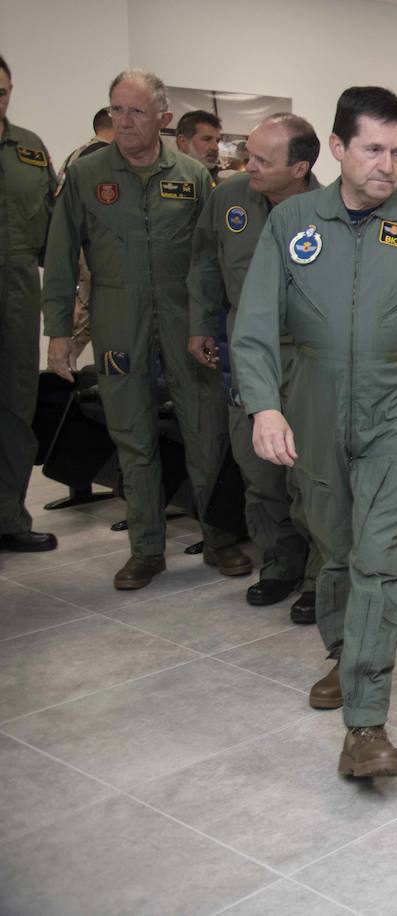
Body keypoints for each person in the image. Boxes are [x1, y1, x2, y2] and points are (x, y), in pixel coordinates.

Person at [232, 86, 397, 778]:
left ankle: (366, 721)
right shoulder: (292, 223)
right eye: (373, 149)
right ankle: (344, 653)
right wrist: (265, 407)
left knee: (379, 558)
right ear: (337, 148)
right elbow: (253, 326)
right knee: (334, 547)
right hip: (310, 403)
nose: (388, 165)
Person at [42, 69, 250, 589]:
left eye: (136, 111)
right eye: (117, 110)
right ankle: (146, 548)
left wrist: (215, 323)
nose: (125, 121)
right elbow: (61, 254)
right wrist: (60, 332)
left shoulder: (192, 176)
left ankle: (220, 539)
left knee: (206, 430)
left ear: (162, 117)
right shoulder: (88, 175)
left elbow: (210, 258)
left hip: (187, 322)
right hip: (117, 319)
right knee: (132, 435)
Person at [187, 113, 321, 611]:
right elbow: (203, 262)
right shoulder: (228, 198)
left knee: (311, 477)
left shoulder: (333, 212)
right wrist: (201, 324)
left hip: (309, 359)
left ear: (300, 167)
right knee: (258, 468)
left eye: (264, 160)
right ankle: (280, 564)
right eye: (249, 153)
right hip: (249, 353)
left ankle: (318, 578)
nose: (250, 165)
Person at [0, 54, 59, 553]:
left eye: (1, 91)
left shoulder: (31, 149)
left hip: (19, 292)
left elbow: (53, 228)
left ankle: (9, 517)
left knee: (16, 404)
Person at [55, 108, 115, 360]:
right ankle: (61, 385)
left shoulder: (76, 155)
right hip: (87, 257)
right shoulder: (99, 158)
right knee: (82, 325)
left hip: (77, 254)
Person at [175, 109, 222, 177]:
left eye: (217, 141)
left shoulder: (220, 184)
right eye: (207, 139)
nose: (216, 148)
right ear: (183, 141)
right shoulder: (164, 178)